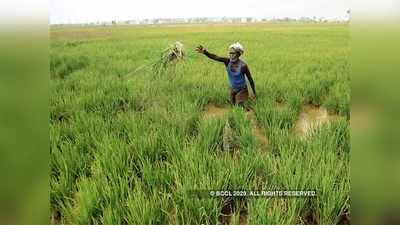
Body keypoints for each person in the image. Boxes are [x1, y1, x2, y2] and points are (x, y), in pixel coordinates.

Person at [196, 42, 256, 107]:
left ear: (238, 54)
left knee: (239, 105)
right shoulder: (227, 61)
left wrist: (254, 93)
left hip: (242, 89)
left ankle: (246, 105)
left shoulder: (243, 66)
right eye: (230, 53)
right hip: (233, 89)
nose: (231, 55)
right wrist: (205, 52)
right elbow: (216, 57)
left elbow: (250, 79)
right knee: (232, 106)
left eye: (233, 53)